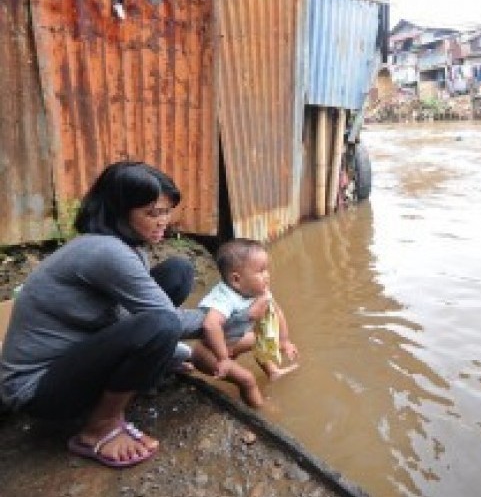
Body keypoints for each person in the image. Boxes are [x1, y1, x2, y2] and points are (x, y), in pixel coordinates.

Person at [0, 161, 194, 468]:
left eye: (166, 211)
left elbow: (124, 313)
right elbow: (162, 318)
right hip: (38, 389)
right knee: (162, 324)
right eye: (152, 213)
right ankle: (98, 428)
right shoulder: (106, 252)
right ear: (119, 211)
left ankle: (138, 370)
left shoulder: (126, 248)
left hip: (74, 353)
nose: (163, 222)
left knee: (177, 272)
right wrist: (217, 322)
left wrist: (170, 350)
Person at [184, 238, 298, 408]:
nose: (267, 275)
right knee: (248, 380)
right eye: (261, 271)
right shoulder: (223, 297)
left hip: (232, 342)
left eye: (266, 269)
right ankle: (261, 409)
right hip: (209, 352)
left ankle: (273, 372)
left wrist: (284, 341)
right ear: (236, 279)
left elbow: (277, 312)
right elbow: (210, 325)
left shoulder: (260, 291)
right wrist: (223, 359)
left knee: (259, 339)